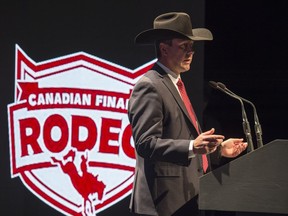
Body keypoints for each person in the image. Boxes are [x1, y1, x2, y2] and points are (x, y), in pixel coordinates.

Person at [127, 12, 248, 216]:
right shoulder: (150, 86)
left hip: (187, 198)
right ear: (164, 49)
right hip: (162, 204)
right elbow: (145, 144)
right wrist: (193, 146)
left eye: (192, 47)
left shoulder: (175, 84)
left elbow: (181, 138)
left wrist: (218, 150)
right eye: (184, 46)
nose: (191, 52)